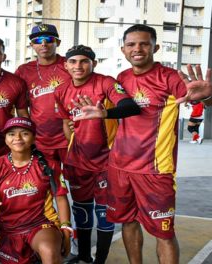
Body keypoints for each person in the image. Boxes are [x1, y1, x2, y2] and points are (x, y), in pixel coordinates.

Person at [104, 24, 211, 264]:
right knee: (128, 222)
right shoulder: (122, 78)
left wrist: (207, 97)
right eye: (131, 44)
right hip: (120, 167)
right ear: (123, 49)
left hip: (155, 170)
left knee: (164, 233)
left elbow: (198, 97)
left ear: (156, 47)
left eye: (144, 43)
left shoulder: (169, 77)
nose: (137, 49)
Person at [55, 45, 140, 264]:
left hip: (107, 162)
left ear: (94, 63)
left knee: (105, 215)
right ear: (65, 65)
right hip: (78, 163)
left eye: (84, 61)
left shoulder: (105, 82)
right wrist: (73, 144)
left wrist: (105, 114)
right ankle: (84, 256)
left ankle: (100, 261)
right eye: (73, 62)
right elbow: (66, 122)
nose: (78, 66)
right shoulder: (61, 90)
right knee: (82, 213)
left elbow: (131, 107)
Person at [0, 117, 72, 264]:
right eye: (11, 134)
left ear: (34, 137)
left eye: (24, 133)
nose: (17, 138)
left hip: (40, 224)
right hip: (8, 231)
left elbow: (61, 197)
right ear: (5, 139)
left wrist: (66, 229)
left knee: (49, 251)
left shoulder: (48, 165)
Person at [14, 24, 71, 163]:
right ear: (32, 45)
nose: (44, 44)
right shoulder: (24, 71)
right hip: (41, 138)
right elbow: (20, 106)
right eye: (38, 41)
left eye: (49, 39)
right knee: (45, 179)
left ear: (58, 42)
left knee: (74, 181)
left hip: (70, 135)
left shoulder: (70, 64)